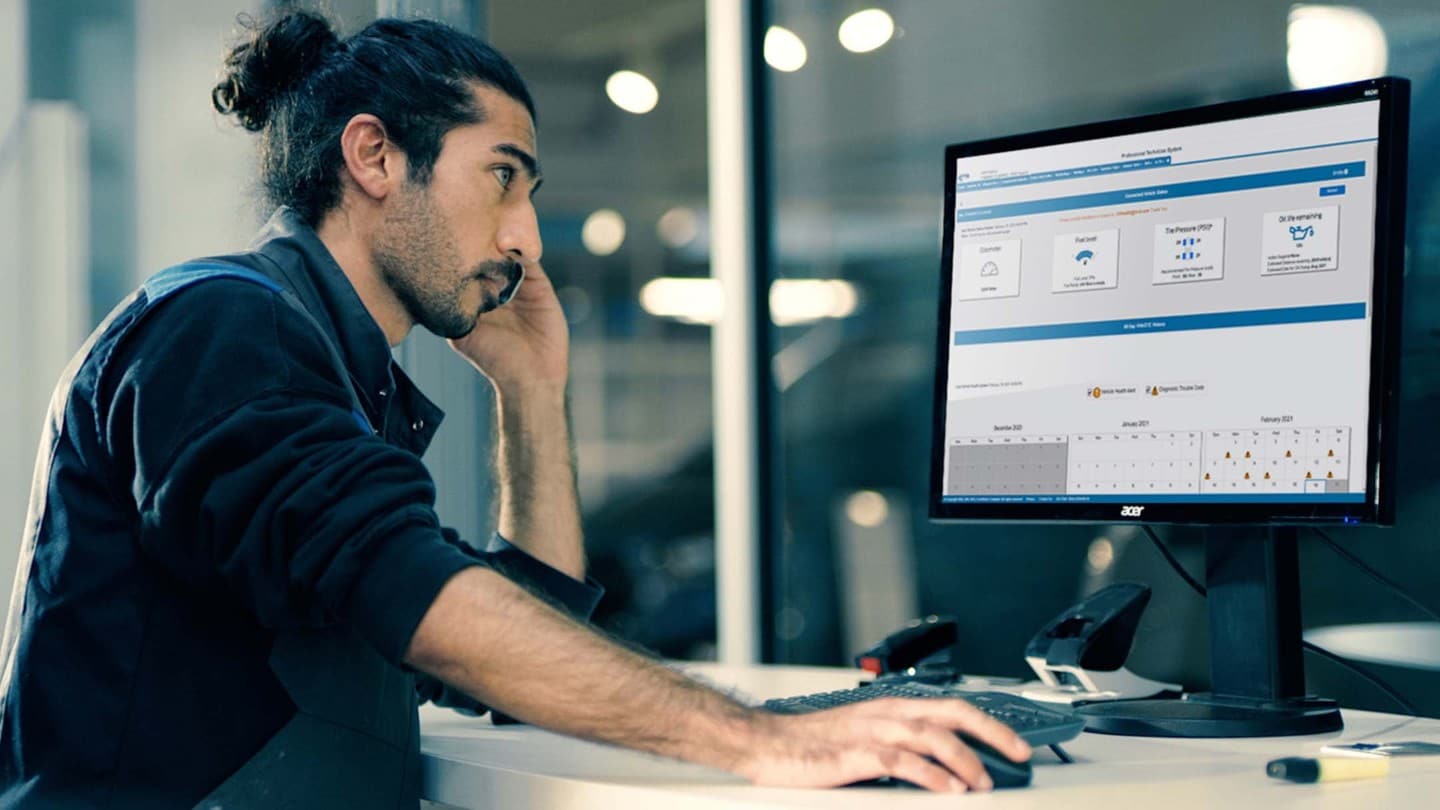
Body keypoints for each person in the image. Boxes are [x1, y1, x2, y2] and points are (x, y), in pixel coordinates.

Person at [0, 10, 1030, 808]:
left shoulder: (329, 374)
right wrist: (764, 740)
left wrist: (532, 394)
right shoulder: (224, 326)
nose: (526, 239)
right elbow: (411, 591)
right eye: (503, 180)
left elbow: (495, 647)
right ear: (373, 157)